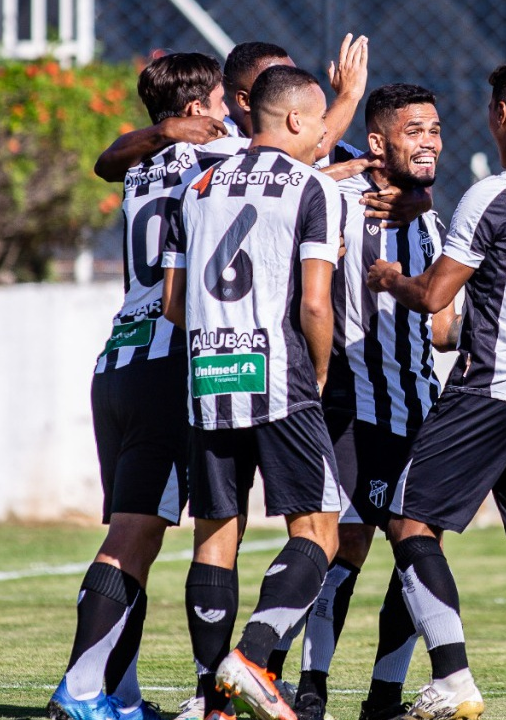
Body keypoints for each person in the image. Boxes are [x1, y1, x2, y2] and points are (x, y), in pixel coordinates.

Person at [366, 58, 506, 720]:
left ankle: (453, 677)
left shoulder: (490, 194)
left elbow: (436, 297)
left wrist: (389, 278)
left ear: (499, 114)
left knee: (410, 522)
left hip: (488, 386)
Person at [46, 52, 234, 720]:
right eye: (219, 102)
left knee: (136, 539)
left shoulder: (142, 162)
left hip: (119, 361)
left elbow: (107, 156)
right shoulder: (218, 156)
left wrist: (162, 134)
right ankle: (80, 690)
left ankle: (116, 695)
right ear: (194, 111)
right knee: (131, 538)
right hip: (165, 363)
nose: (228, 112)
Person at [162, 64, 345, 720]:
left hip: (208, 376)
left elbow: (175, 305)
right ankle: (254, 653)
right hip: (281, 376)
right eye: (322, 118)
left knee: (215, 535)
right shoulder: (311, 188)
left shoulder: (198, 184)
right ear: (295, 119)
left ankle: (212, 701)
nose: (326, 132)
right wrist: (319, 373)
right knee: (320, 529)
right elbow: (317, 305)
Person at [282, 83, 458, 720]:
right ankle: (312, 685)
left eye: (435, 130)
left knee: (417, 552)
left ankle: (385, 692)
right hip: (353, 405)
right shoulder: (336, 199)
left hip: (420, 407)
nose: (430, 141)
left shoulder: (432, 216)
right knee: (344, 546)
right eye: (414, 130)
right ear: (379, 141)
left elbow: (440, 327)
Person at [94, 36, 368, 182]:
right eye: (278, 83)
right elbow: (312, 153)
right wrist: (349, 95)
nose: (292, 87)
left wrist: (409, 197)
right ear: (244, 100)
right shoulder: (215, 146)